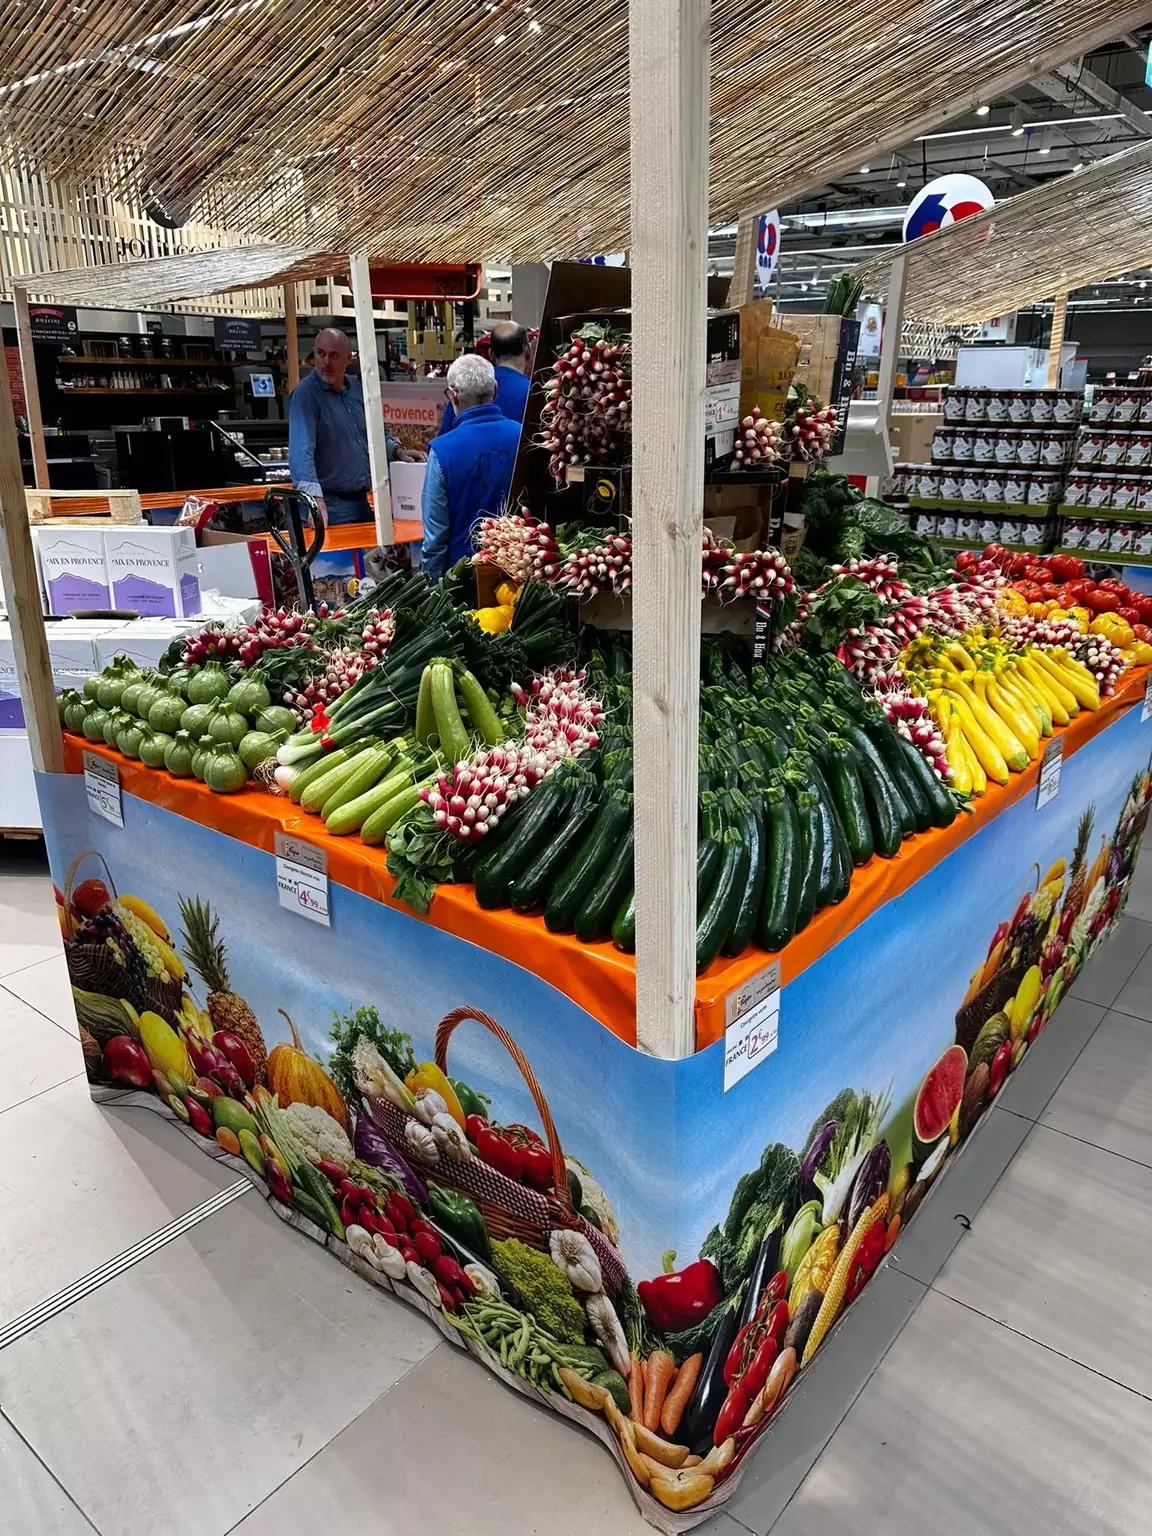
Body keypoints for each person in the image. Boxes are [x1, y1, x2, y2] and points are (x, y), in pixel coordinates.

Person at [288, 328, 415, 527]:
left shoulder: (357, 389)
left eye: (334, 355)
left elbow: (374, 432)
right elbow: (300, 453)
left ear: (349, 358)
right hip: (329, 508)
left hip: (361, 503)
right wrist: (313, 501)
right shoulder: (306, 395)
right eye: (321, 354)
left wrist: (397, 450)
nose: (326, 362)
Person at [421, 353, 521, 581]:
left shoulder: (441, 451)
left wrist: (432, 592)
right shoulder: (523, 436)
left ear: (453, 396)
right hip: (520, 574)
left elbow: (434, 539)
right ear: (495, 389)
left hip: (463, 580)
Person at [437, 320, 532, 435]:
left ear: (491, 353)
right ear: (527, 349)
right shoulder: (534, 391)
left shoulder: (465, 386)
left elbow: (443, 441)